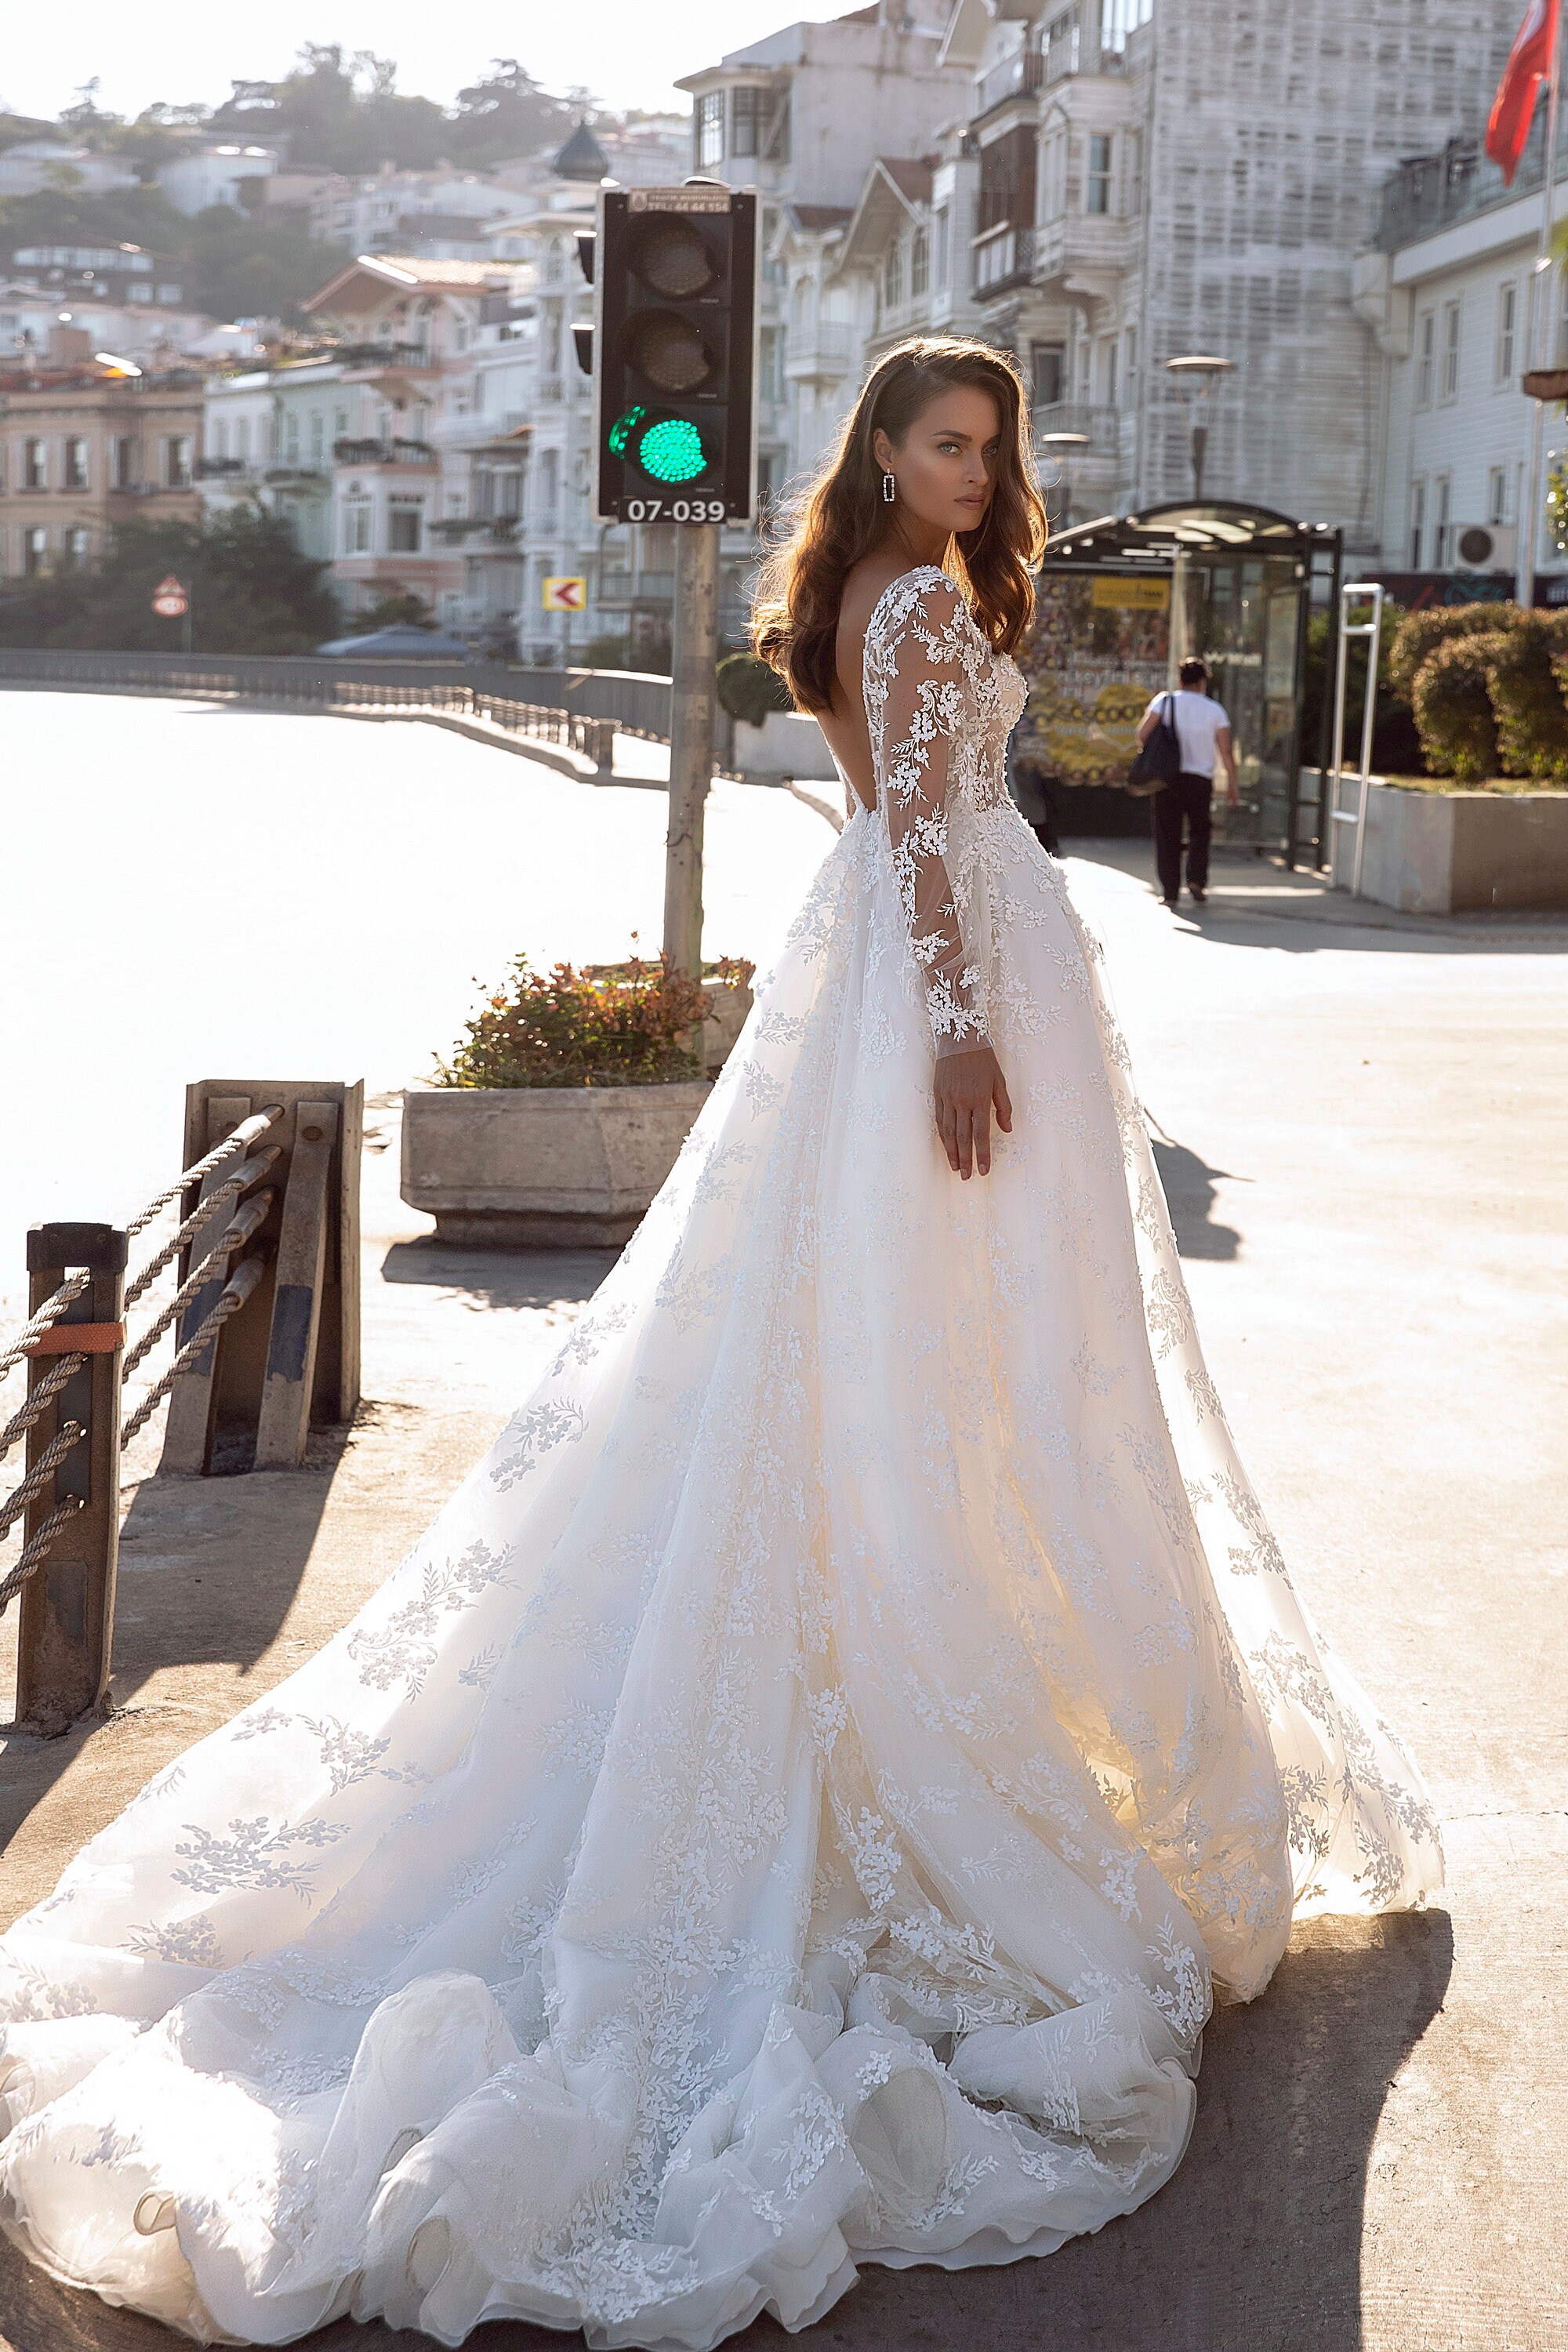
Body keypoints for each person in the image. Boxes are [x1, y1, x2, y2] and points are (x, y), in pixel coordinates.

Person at [0, 339, 1440, 2350]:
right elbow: (936, 836)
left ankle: (903, 1626)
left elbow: (895, 820)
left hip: (878, 977)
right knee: (961, 1362)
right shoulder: (918, 602)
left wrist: (942, 994)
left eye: (990, 449)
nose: (971, 474)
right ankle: (922, 1669)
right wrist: (958, 1022)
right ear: (882, 447)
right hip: (931, 983)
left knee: (876, 1355)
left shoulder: (859, 595)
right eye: (945, 443)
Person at [1136, 657, 1239, 909]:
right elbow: (1226, 751)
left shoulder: (1165, 702)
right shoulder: (1215, 710)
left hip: (1167, 779)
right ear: (1203, 681)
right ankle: (1196, 880)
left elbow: (1141, 736)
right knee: (1200, 831)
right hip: (1200, 780)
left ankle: (1170, 891)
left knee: (1167, 833)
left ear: (1180, 679)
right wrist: (1233, 784)